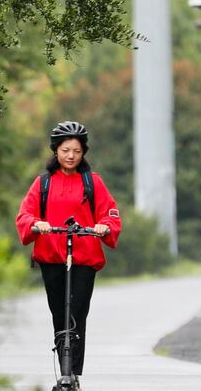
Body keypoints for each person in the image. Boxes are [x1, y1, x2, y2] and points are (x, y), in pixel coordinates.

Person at [16, 121, 121, 388]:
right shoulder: (43, 183)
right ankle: (63, 370)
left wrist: (103, 227)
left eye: (76, 150)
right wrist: (35, 224)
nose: (71, 155)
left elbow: (110, 214)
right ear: (55, 151)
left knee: (77, 313)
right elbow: (25, 215)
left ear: (83, 152)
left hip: (84, 258)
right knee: (58, 313)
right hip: (51, 257)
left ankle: (72, 372)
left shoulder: (92, 182)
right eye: (65, 150)